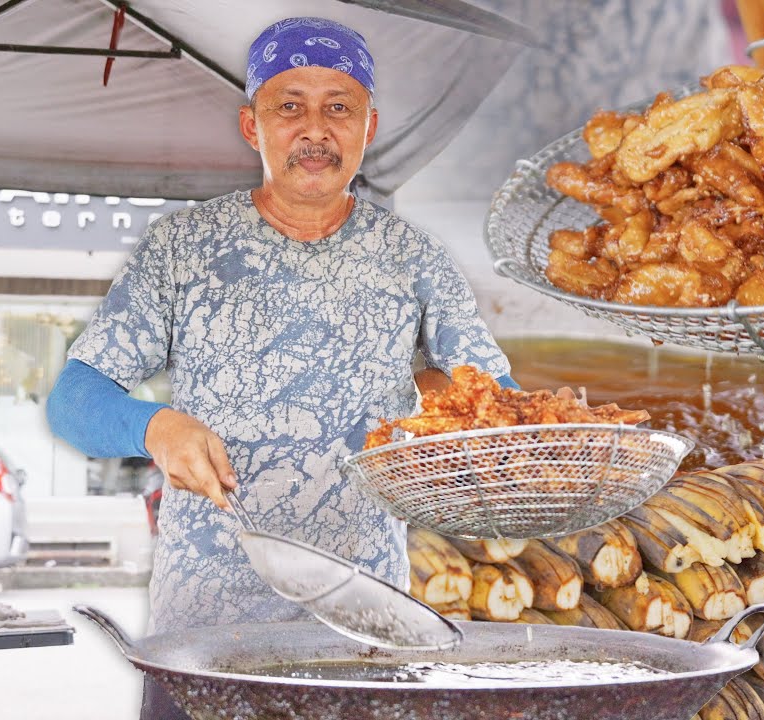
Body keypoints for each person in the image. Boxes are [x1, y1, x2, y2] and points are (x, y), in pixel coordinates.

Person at [45, 17, 514, 719]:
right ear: (250, 124)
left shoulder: (413, 259)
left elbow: (499, 403)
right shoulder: (184, 248)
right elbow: (72, 401)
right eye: (289, 105)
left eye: (339, 107)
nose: (315, 129)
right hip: (200, 640)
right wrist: (154, 425)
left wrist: (494, 449)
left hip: (363, 643)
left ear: (370, 125)